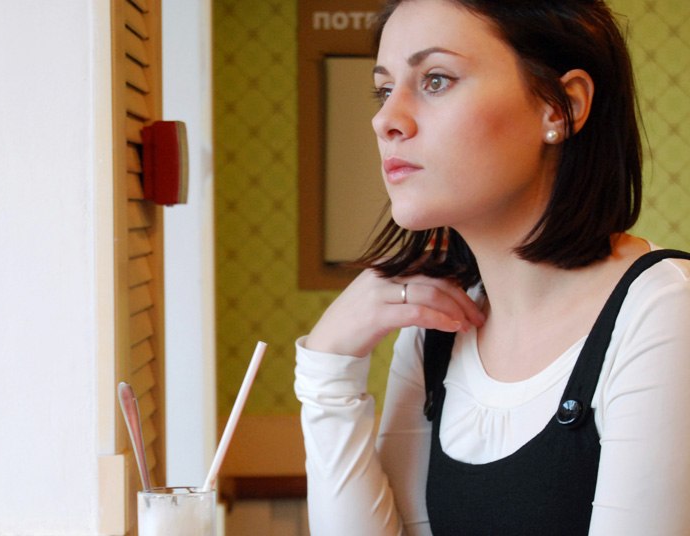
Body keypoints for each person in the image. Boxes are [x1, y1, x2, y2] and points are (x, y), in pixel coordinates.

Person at [294, 0, 690, 534]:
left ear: (561, 107)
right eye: (384, 90)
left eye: (436, 80)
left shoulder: (665, 311)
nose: (385, 119)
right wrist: (329, 366)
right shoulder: (439, 324)